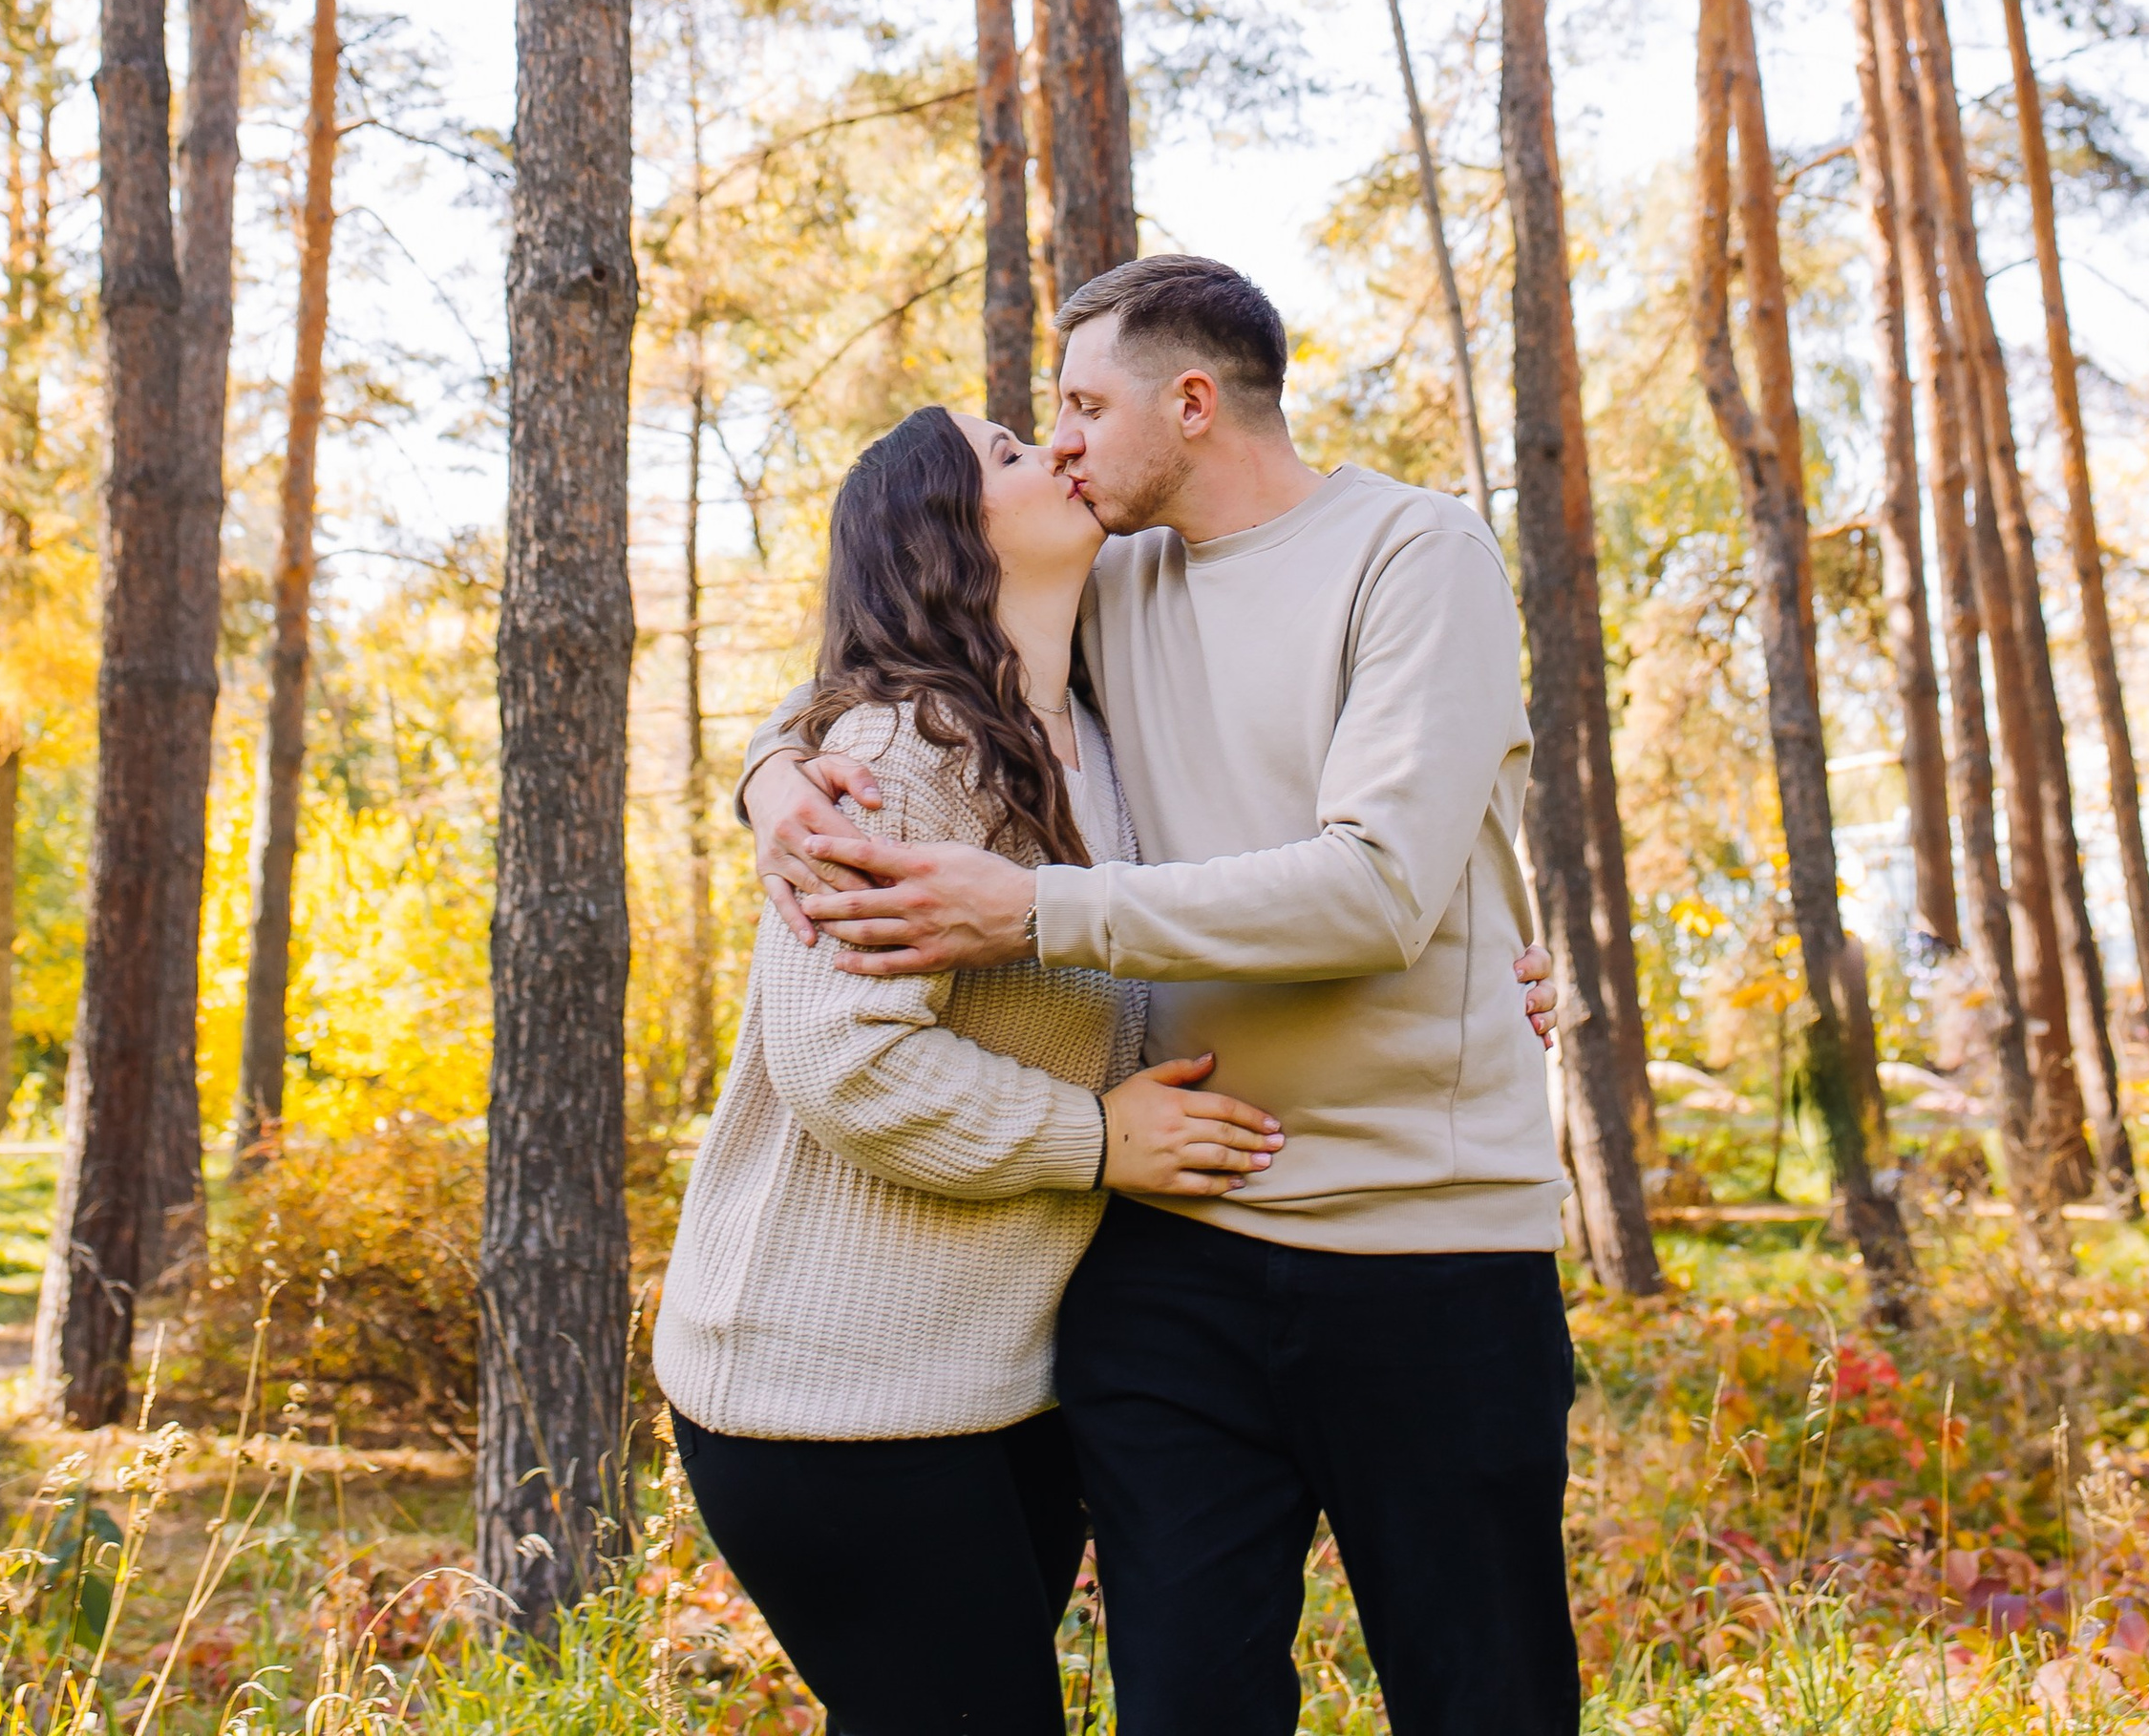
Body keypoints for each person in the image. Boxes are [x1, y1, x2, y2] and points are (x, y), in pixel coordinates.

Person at [747, 252, 1581, 1736]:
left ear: (1192, 402)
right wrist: (770, 781)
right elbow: (899, 657)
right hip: (1171, 1252)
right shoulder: (1108, 580)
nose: (1059, 442)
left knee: (1484, 1700)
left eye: (1082, 406)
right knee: (1187, 1706)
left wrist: (1033, 912)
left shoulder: (1415, 552)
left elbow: (1378, 890)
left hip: (1427, 1246)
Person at [653, 397, 1287, 1736]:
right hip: (821, 1395)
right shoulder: (900, 754)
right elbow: (846, 1063)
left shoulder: (1098, 728)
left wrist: (1482, 961)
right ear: (943, 535)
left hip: (993, 1383)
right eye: (1006, 452)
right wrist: (1099, 1141)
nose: (1054, 448)